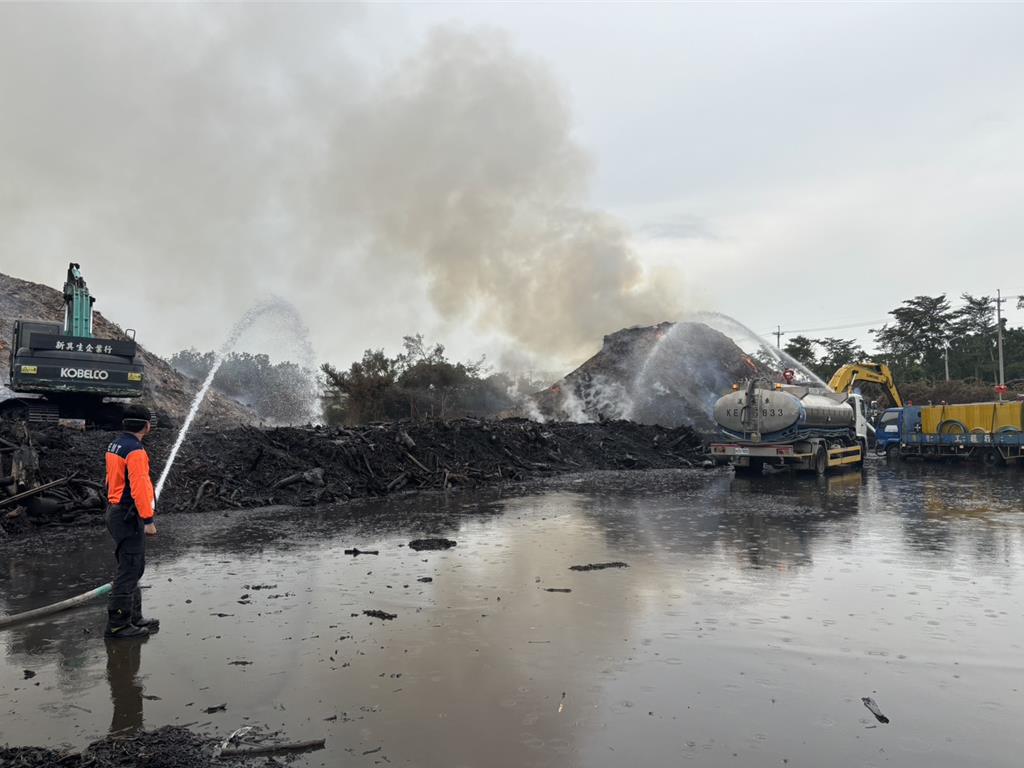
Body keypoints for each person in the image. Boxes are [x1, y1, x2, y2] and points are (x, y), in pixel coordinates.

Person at [104, 406, 159, 638]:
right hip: (128, 515)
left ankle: (134, 617)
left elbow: (109, 479)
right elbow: (140, 487)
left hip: (116, 511)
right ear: (146, 426)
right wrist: (148, 520)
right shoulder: (135, 450)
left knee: (135, 566)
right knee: (129, 569)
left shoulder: (116, 445)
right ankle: (118, 624)